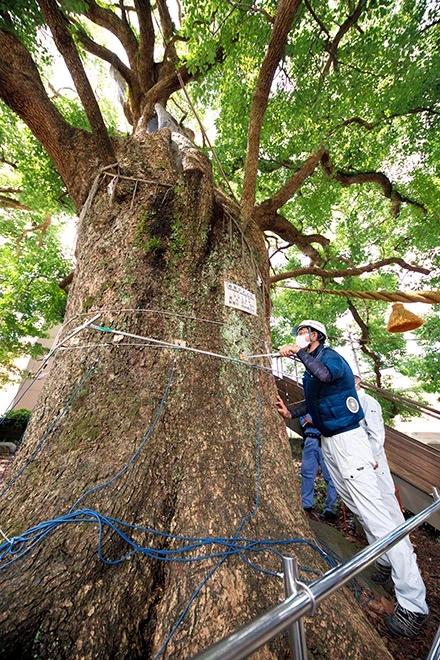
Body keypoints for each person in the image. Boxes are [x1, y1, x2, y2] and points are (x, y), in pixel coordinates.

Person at [276, 320, 429, 638]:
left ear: (315, 337)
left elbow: (325, 376)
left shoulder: (332, 360)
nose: (299, 337)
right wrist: (292, 414)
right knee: (361, 512)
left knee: (380, 520)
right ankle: (385, 562)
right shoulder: (310, 368)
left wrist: (299, 353)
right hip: (331, 444)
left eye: (303, 333)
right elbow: (315, 401)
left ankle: (414, 605)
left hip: (350, 442)